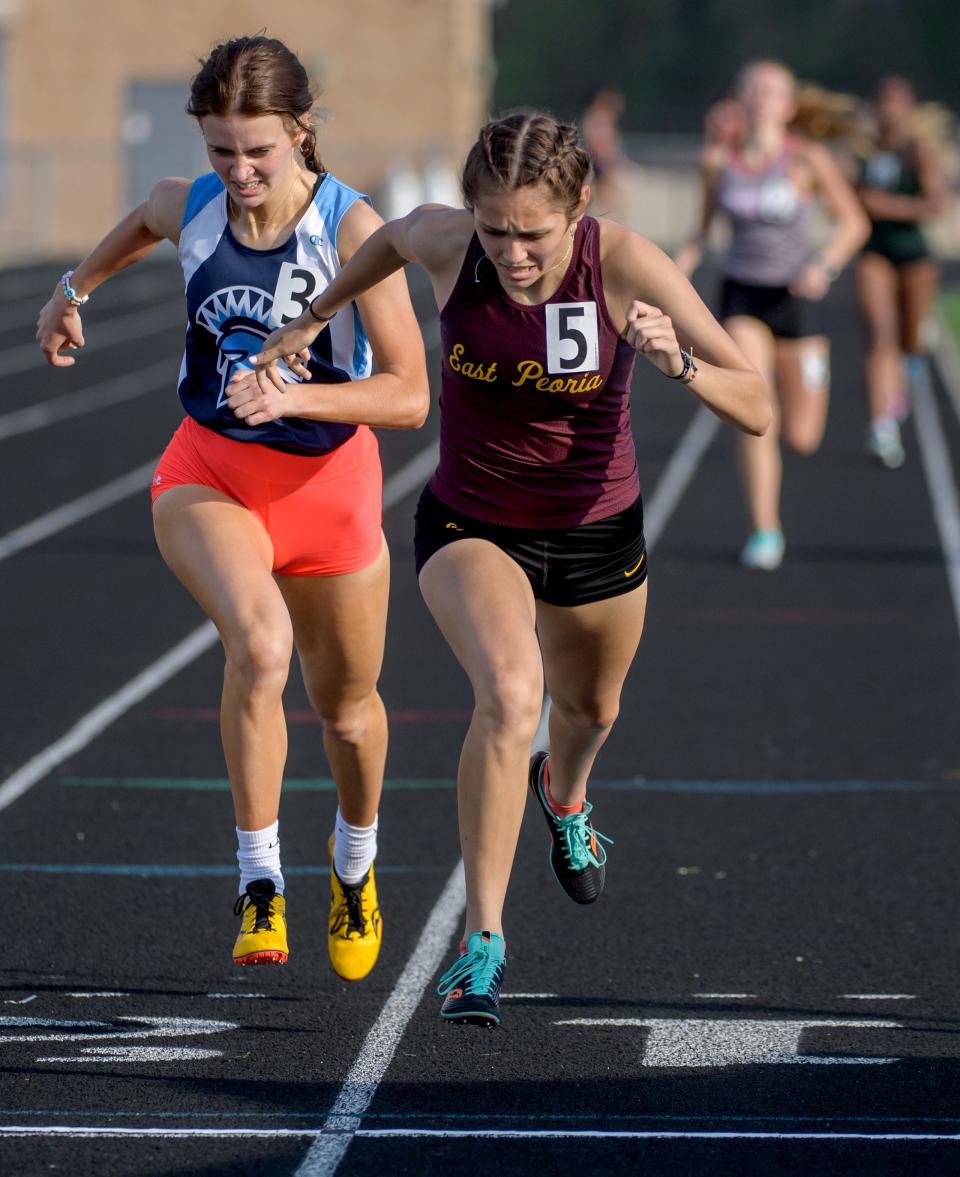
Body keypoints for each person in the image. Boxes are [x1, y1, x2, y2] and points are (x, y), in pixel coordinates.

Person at [244, 110, 769, 1026]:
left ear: (578, 209)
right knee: (511, 692)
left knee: (591, 708)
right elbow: (395, 240)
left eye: (533, 234)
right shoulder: (452, 246)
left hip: (597, 528)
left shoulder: (629, 264)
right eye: (496, 231)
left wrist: (676, 360)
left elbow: (756, 405)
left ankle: (564, 798)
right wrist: (315, 316)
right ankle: (480, 943)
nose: (514, 255)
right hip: (471, 522)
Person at [35, 35, 428, 981]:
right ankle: (260, 880)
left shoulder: (352, 228)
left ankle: (355, 863)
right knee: (258, 646)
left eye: (258, 149)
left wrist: (298, 395)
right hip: (210, 472)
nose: (239, 171)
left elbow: (411, 396)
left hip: (330, 491)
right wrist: (70, 290)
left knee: (347, 714)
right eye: (221, 150)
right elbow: (142, 218)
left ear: (300, 132)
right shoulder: (194, 204)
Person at [676, 61, 869, 570]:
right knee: (758, 416)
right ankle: (765, 529)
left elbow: (853, 223)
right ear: (741, 101)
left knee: (803, 437)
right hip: (742, 296)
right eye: (753, 90)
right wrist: (673, 274)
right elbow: (701, 232)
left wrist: (823, 266)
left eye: (772, 91)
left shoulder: (806, 159)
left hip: (797, 300)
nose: (762, 98)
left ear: (787, 106)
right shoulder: (718, 163)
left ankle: (792, 424)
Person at [855, 76, 946, 469]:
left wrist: (884, 206)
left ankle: (900, 392)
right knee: (881, 332)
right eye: (883, 101)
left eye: (897, 101)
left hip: (913, 255)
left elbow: (934, 204)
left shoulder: (918, 151)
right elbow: (846, 198)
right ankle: (882, 426)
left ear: (908, 108)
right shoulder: (861, 150)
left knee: (909, 342)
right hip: (874, 253)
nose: (889, 109)